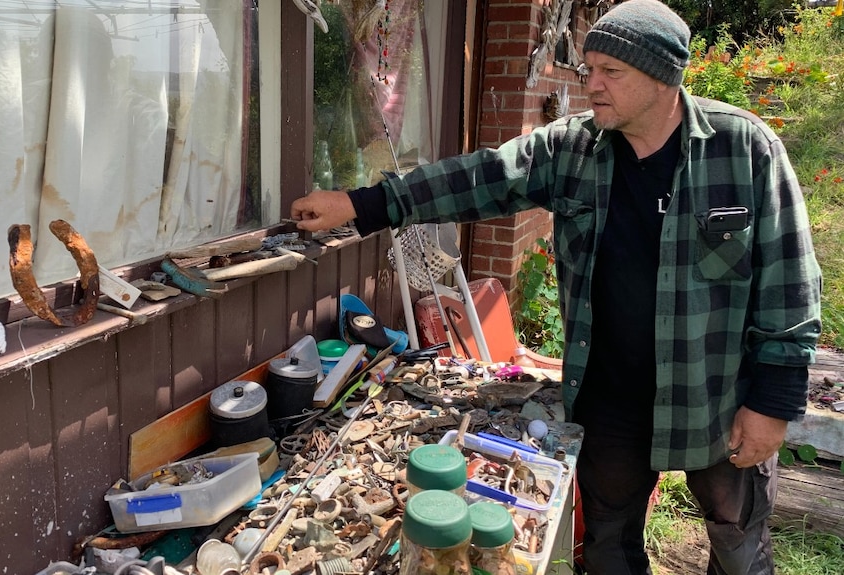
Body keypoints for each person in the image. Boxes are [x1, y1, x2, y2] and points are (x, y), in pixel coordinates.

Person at [291, 1, 823, 573]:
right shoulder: (572, 149)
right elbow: (479, 178)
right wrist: (362, 202)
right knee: (608, 546)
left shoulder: (744, 150)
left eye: (610, 72)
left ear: (664, 75)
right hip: (611, 398)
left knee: (738, 543)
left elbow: (790, 283)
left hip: (715, 394)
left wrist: (773, 403)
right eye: (588, 67)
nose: (590, 85)